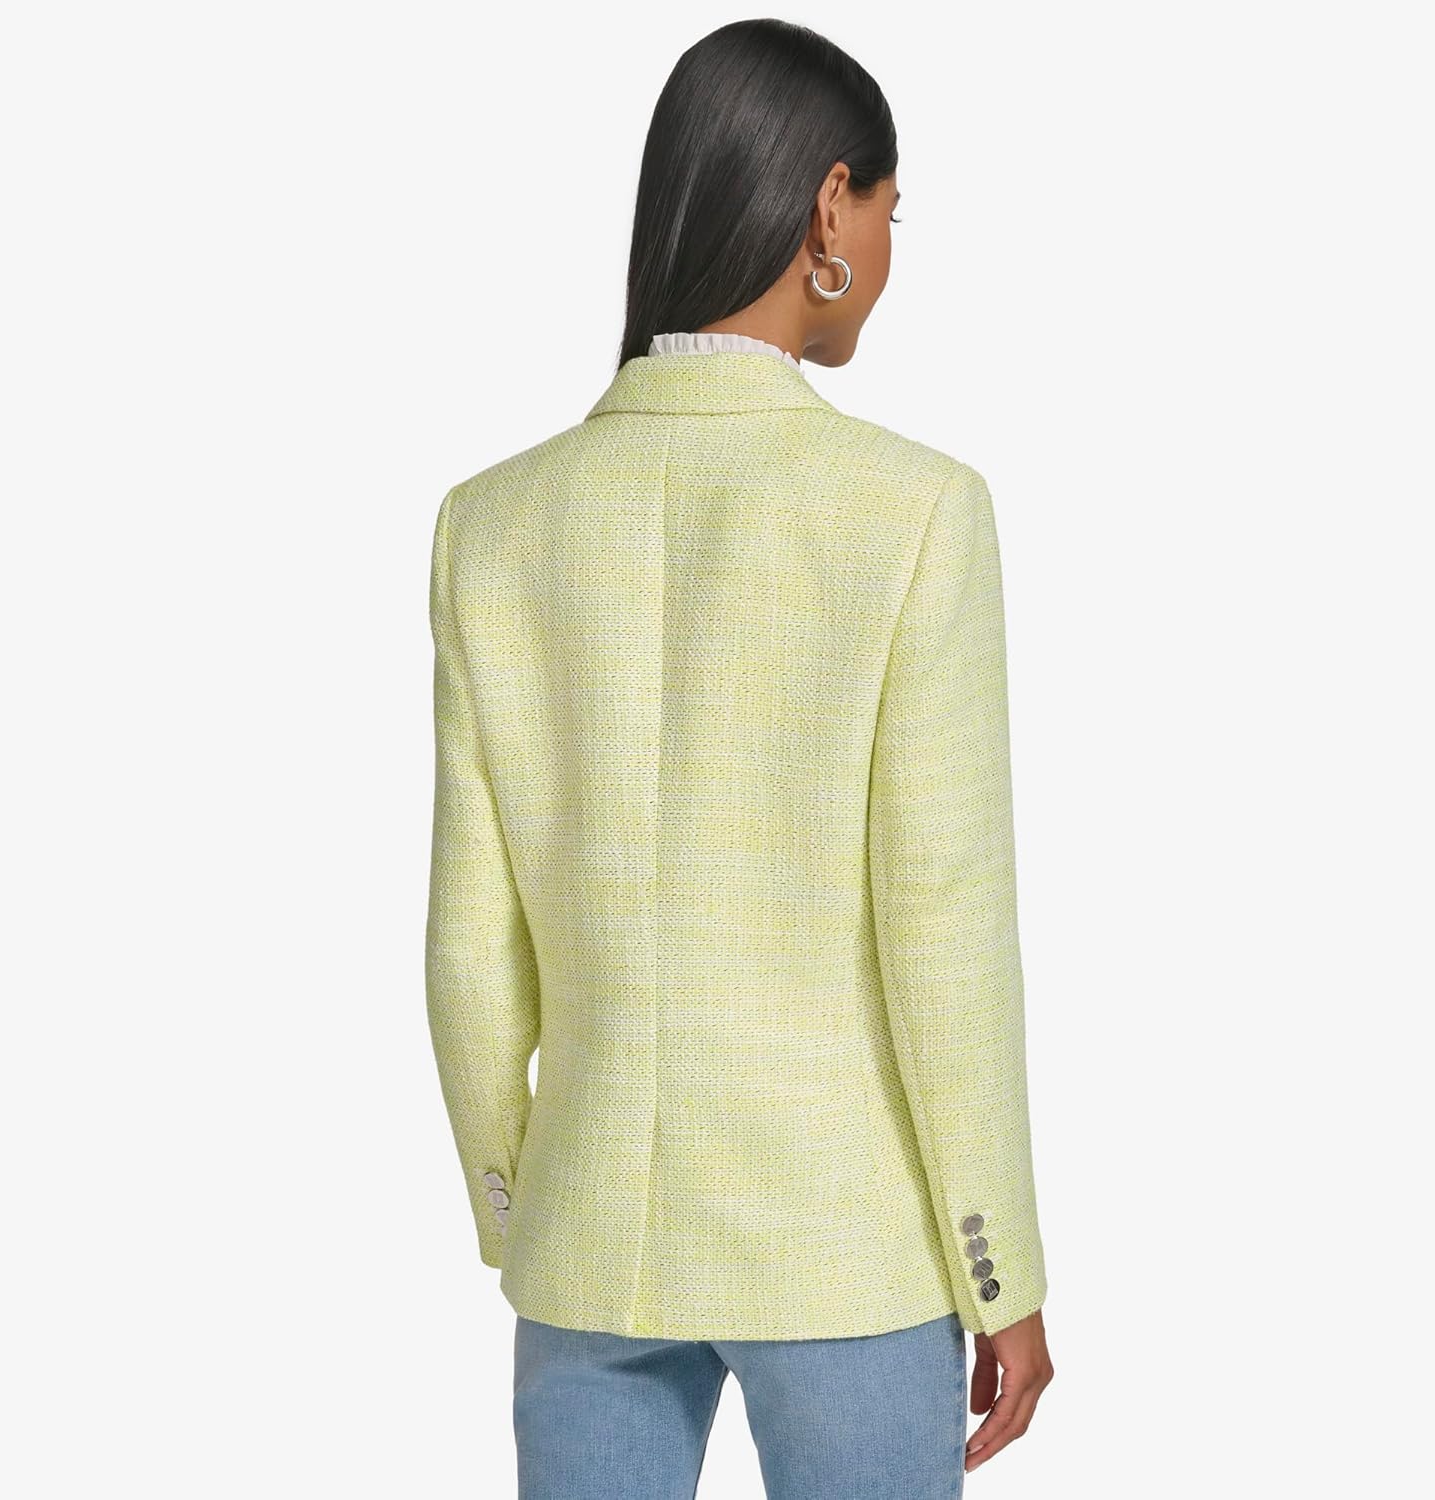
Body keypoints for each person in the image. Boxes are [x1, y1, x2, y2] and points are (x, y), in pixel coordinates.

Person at [424, 18, 1055, 1498]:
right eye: (892, 210)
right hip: (841, 1250)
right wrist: (1001, 1268)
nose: (890, 249)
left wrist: (522, 1210)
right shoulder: (914, 512)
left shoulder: (491, 524)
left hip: (588, 1251)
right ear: (830, 207)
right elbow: (945, 933)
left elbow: (468, 949)